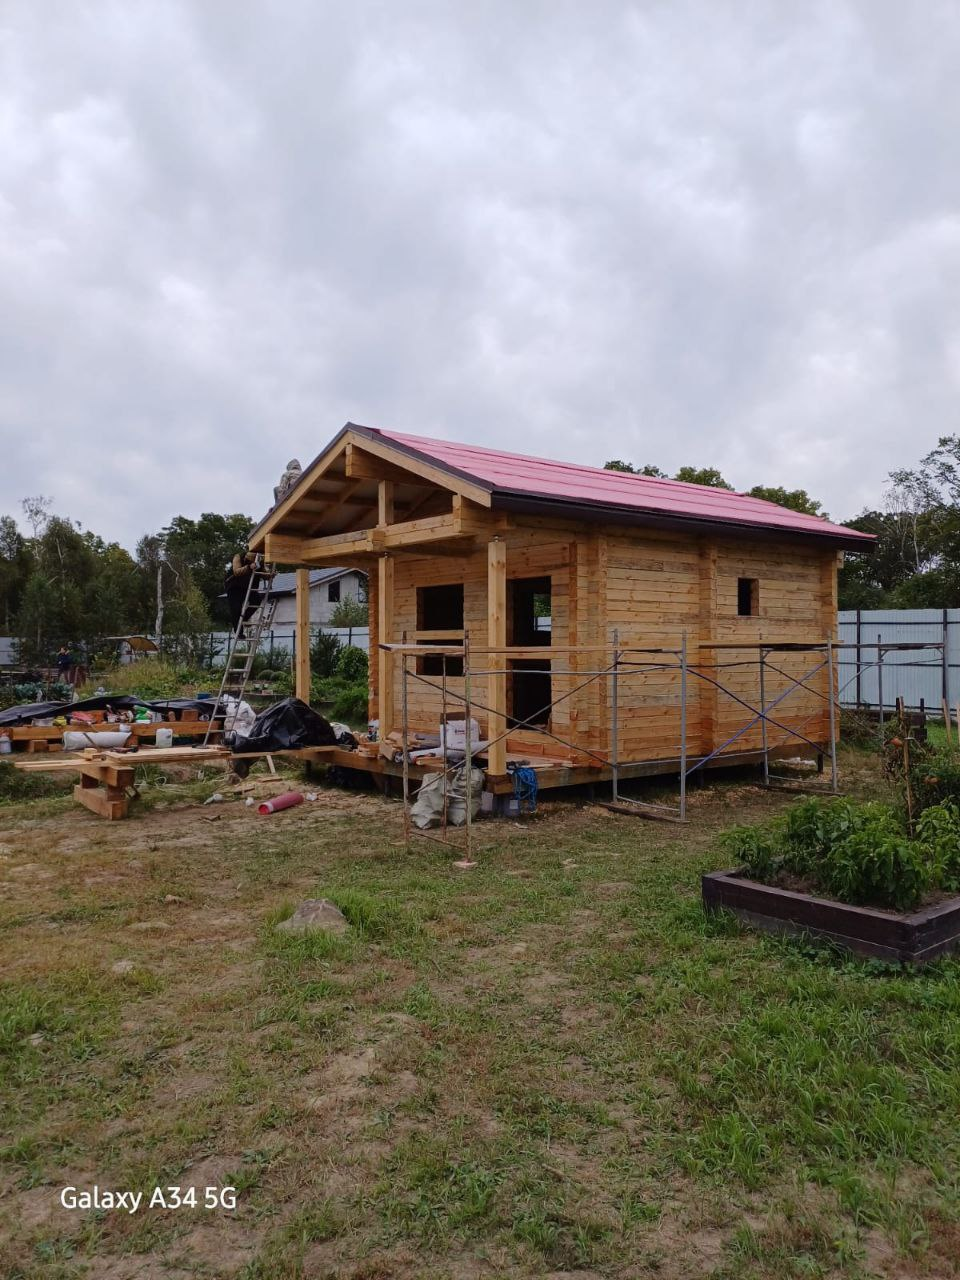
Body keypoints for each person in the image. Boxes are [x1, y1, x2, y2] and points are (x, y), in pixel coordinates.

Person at [225, 552, 263, 633]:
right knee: (236, 609)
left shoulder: (260, 561)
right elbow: (236, 571)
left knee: (257, 600)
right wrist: (249, 567)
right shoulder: (238, 557)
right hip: (234, 586)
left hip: (248, 587)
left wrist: (270, 575)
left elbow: (264, 573)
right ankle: (239, 632)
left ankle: (243, 619)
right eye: (249, 560)